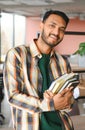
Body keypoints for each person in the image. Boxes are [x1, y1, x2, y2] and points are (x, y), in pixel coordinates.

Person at [3, 10, 77, 130]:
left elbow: (69, 101)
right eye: (52, 26)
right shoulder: (17, 55)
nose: (56, 32)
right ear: (41, 25)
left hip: (63, 126)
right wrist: (49, 104)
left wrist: (67, 101)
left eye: (62, 29)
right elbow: (13, 97)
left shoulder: (63, 61)